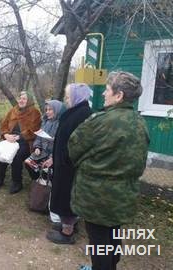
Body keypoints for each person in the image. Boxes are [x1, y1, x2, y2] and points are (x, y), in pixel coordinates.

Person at [69, 72, 149, 270]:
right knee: (113, 238)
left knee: (99, 245)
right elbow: (140, 162)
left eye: (107, 89)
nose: (104, 93)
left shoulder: (100, 121)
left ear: (119, 95)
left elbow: (73, 149)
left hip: (97, 199)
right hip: (122, 197)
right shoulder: (140, 123)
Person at [45, 83, 92, 244]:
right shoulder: (76, 111)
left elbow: (77, 143)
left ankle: (67, 233)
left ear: (77, 97)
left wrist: (63, 160)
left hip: (69, 165)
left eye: (67, 96)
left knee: (66, 197)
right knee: (65, 196)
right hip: (64, 163)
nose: (65, 99)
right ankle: (69, 224)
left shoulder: (82, 114)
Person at [0, 91, 41, 194]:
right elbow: (3, 124)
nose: (21, 100)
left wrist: (19, 137)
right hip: (10, 138)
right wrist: (6, 135)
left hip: (26, 141)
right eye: (20, 98)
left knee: (16, 155)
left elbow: (34, 130)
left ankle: (17, 182)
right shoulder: (13, 110)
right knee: (2, 151)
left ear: (29, 101)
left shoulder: (34, 112)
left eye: (24, 99)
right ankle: (0, 178)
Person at [24, 99, 65, 181]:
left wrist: (54, 141)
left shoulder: (62, 124)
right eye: (46, 110)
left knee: (46, 169)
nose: (47, 112)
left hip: (54, 154)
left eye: (50, 110)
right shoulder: (45, 122)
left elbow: (62, 144)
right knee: (28, 163)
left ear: (57, 110)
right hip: (43, 152)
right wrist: (37, 147)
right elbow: (39, 136)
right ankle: (37, 181)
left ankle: (48, 187)